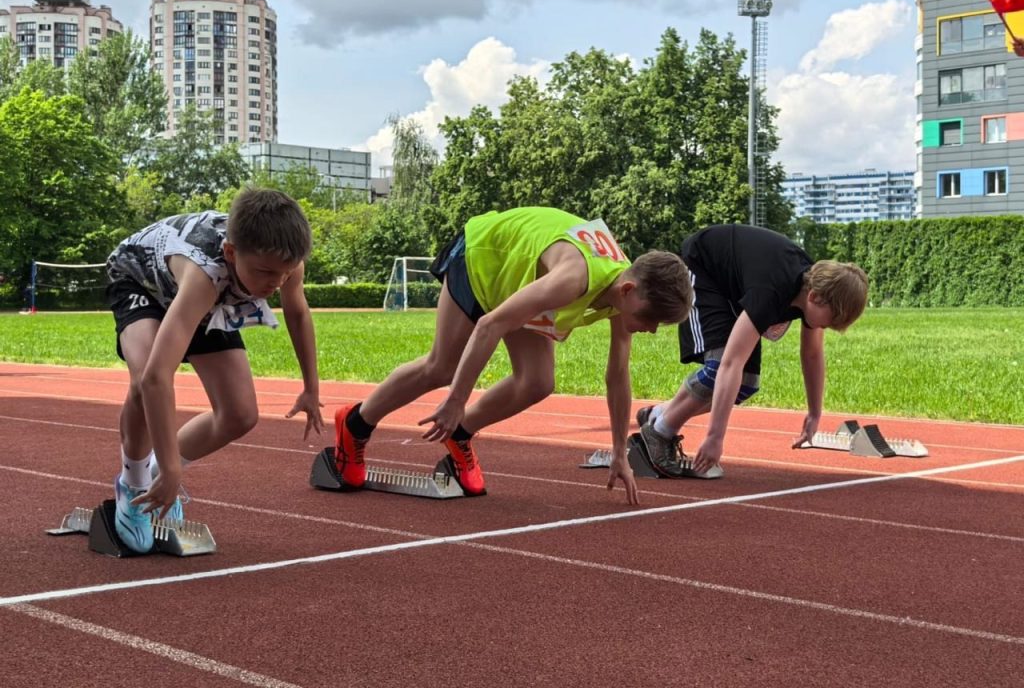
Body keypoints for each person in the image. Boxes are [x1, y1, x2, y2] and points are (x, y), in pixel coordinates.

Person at [333, 206, 693, 505]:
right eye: (651, 319)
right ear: (629, 290)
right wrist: (456, 399)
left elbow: (618, 375)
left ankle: (459, 435)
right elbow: (490, 325)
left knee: (537, 381)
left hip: (521, 281)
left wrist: (618, 451)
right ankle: (355, 424)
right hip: (481, 258)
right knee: (442, 367)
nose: (651, 329)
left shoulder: (622, 288)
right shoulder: (574, 279)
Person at [105, 188, 324, 553]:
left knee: (239, 414)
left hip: (209, 294)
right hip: (140, 280)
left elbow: (298, 313)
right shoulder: (204, 273)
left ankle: (156, 473)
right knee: (144, 382)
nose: (276, 284)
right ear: (231, 252)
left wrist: (311, 388)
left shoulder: (284, 259)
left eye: (285, 274)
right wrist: (175, 468)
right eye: (266, 273)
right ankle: (134, 484)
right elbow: (157, 378)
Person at [634, 223, 868, 477]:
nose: (828, 327)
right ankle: (659, 433)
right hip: (704, 267)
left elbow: (812, 354)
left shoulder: (810, 289)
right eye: (830, 320)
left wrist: (814, 412)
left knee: (747, 383)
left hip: (736, 284)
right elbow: (730, 364)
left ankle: (658, 414)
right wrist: (715, 437)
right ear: (814, 297)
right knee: (720, 365)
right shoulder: (771, 291)